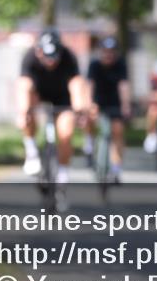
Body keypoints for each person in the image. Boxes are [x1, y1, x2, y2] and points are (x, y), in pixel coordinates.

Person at [16, 28, 87, 185]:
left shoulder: (69, 57)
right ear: (39, 51)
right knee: (27, 110)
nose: (50, 62)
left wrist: (80, 110)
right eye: (46, 57)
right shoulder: (29, 57)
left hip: (63, 98)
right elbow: (24, 86)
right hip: (38, 94)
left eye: (54, 57)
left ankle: (63, 171)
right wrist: (23, 112)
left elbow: (76, 85)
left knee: (65, 134)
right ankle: (31, 150)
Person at [86, 35, 131, 182]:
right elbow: (90, 85)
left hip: (114, 103)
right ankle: (90, 143)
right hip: (98, 103)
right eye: (105, 51)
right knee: (90, 120)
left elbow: (123, 86)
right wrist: (89, 104)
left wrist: (125, 106)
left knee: (117, 132)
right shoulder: (94, 65)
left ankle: (116, 169)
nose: (108, 54)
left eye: (112, 51)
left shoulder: (121, 64)